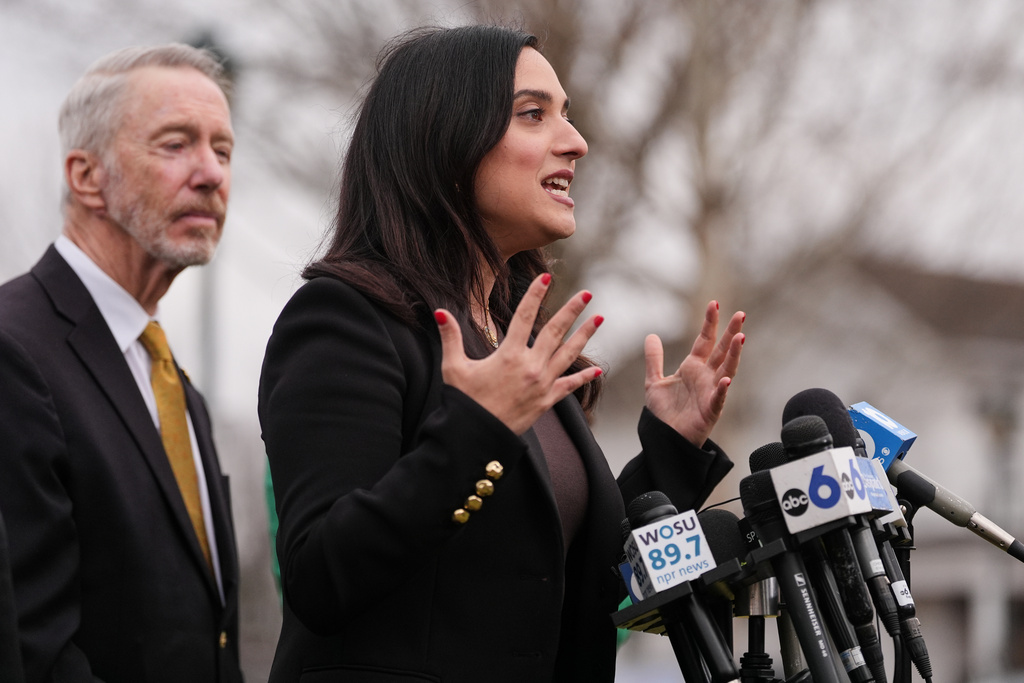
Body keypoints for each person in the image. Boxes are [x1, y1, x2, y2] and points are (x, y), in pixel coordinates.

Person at [259, 24, 746, 682]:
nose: (574, 142)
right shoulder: (346, 319)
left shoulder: (518, 343)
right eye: (533, 115)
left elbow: (572, 581)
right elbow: (321, 575)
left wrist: (670, 448)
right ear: (445, 140)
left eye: (567, 116)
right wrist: (477, 429)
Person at [0, 44, 243, 683]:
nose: (212, 174)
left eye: (222, 149)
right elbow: (33, 646)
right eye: (175, 144)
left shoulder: (170, 380)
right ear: (86, 176)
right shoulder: (13, 349)